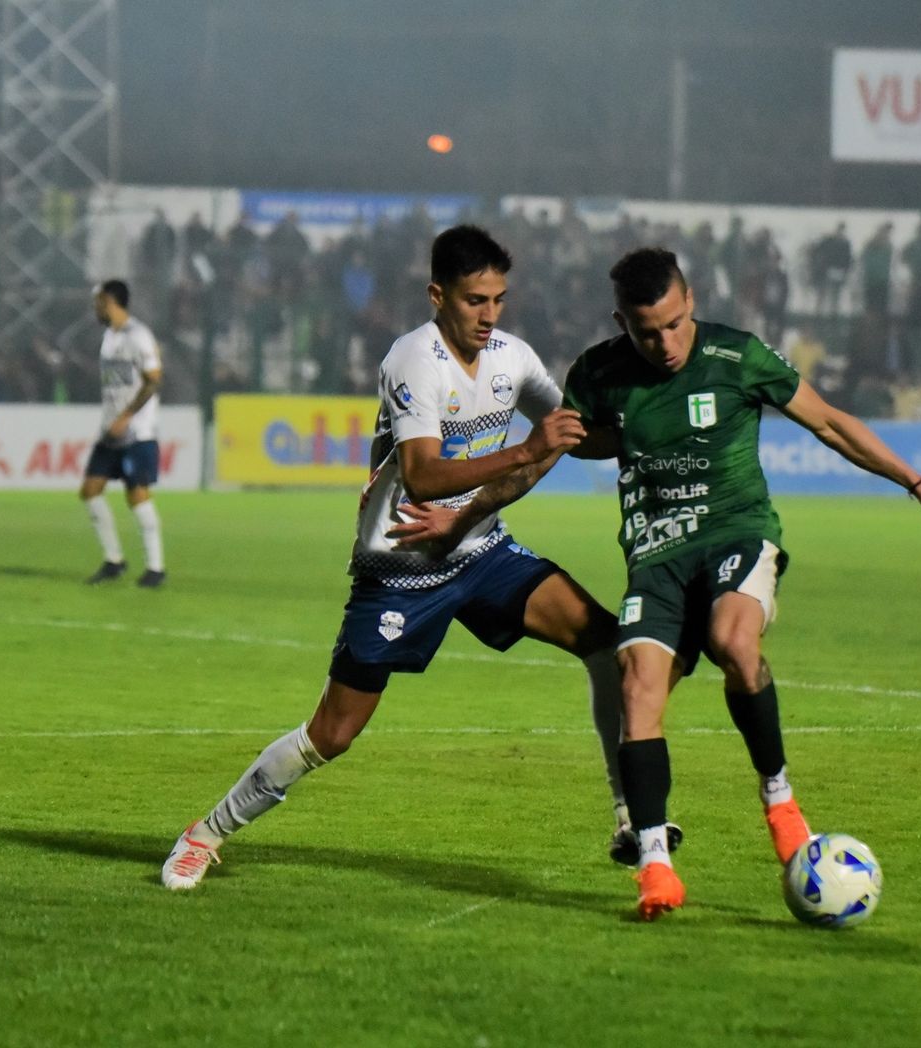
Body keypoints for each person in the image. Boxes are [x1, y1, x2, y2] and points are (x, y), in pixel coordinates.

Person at [159, 225, 671, 890]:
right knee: (332, 733)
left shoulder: (513, 358)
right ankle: (207, 833)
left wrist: (645, 423)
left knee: (607, 643)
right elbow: (424, 476)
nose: (489, 315)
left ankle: (631, 816)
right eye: (474, 300)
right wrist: (525, 449)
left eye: (498, 300)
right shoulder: (413, 361)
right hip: (399, 567)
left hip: (481, 549)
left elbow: (575, 437)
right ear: (437, 295)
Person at [561, 248, 921, 920]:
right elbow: (574, 438)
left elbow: (829, 422)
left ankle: (779, 799)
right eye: (647, 332)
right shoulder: (596, 373)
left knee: (735, 641)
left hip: (736, 531)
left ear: (690, 299)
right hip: (656, 552)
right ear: (622, 323)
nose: (665, 343)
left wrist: (916, 482)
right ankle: (654, 865)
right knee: (637, 687)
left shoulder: (737, 356)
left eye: (674, 324)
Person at [80, 279, 167, 588]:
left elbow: (153, 380)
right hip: (110, 431)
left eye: (98, 302)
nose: (95, 308)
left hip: (137, 431)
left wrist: (127, 417)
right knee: (90, 490)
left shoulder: (139, 336)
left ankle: (156, 568)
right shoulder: (109, 336)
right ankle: (114, 560)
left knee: (137, 495)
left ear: (111, 301)